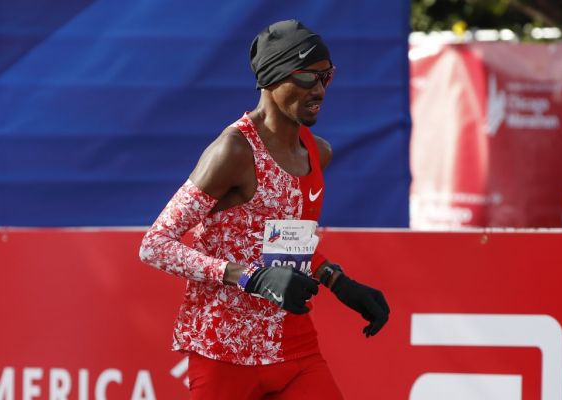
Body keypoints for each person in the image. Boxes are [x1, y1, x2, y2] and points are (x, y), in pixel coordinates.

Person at [139, 19, 390, 400]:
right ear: (272, 80)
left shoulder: (318, 152)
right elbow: (155, 244)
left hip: (294, 347)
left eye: (327, 76)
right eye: (308, 77)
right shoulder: (233, 152)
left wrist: (337, 281)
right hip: (223, 351)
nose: (320, 90)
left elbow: (285, 239)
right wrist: (248, 277)